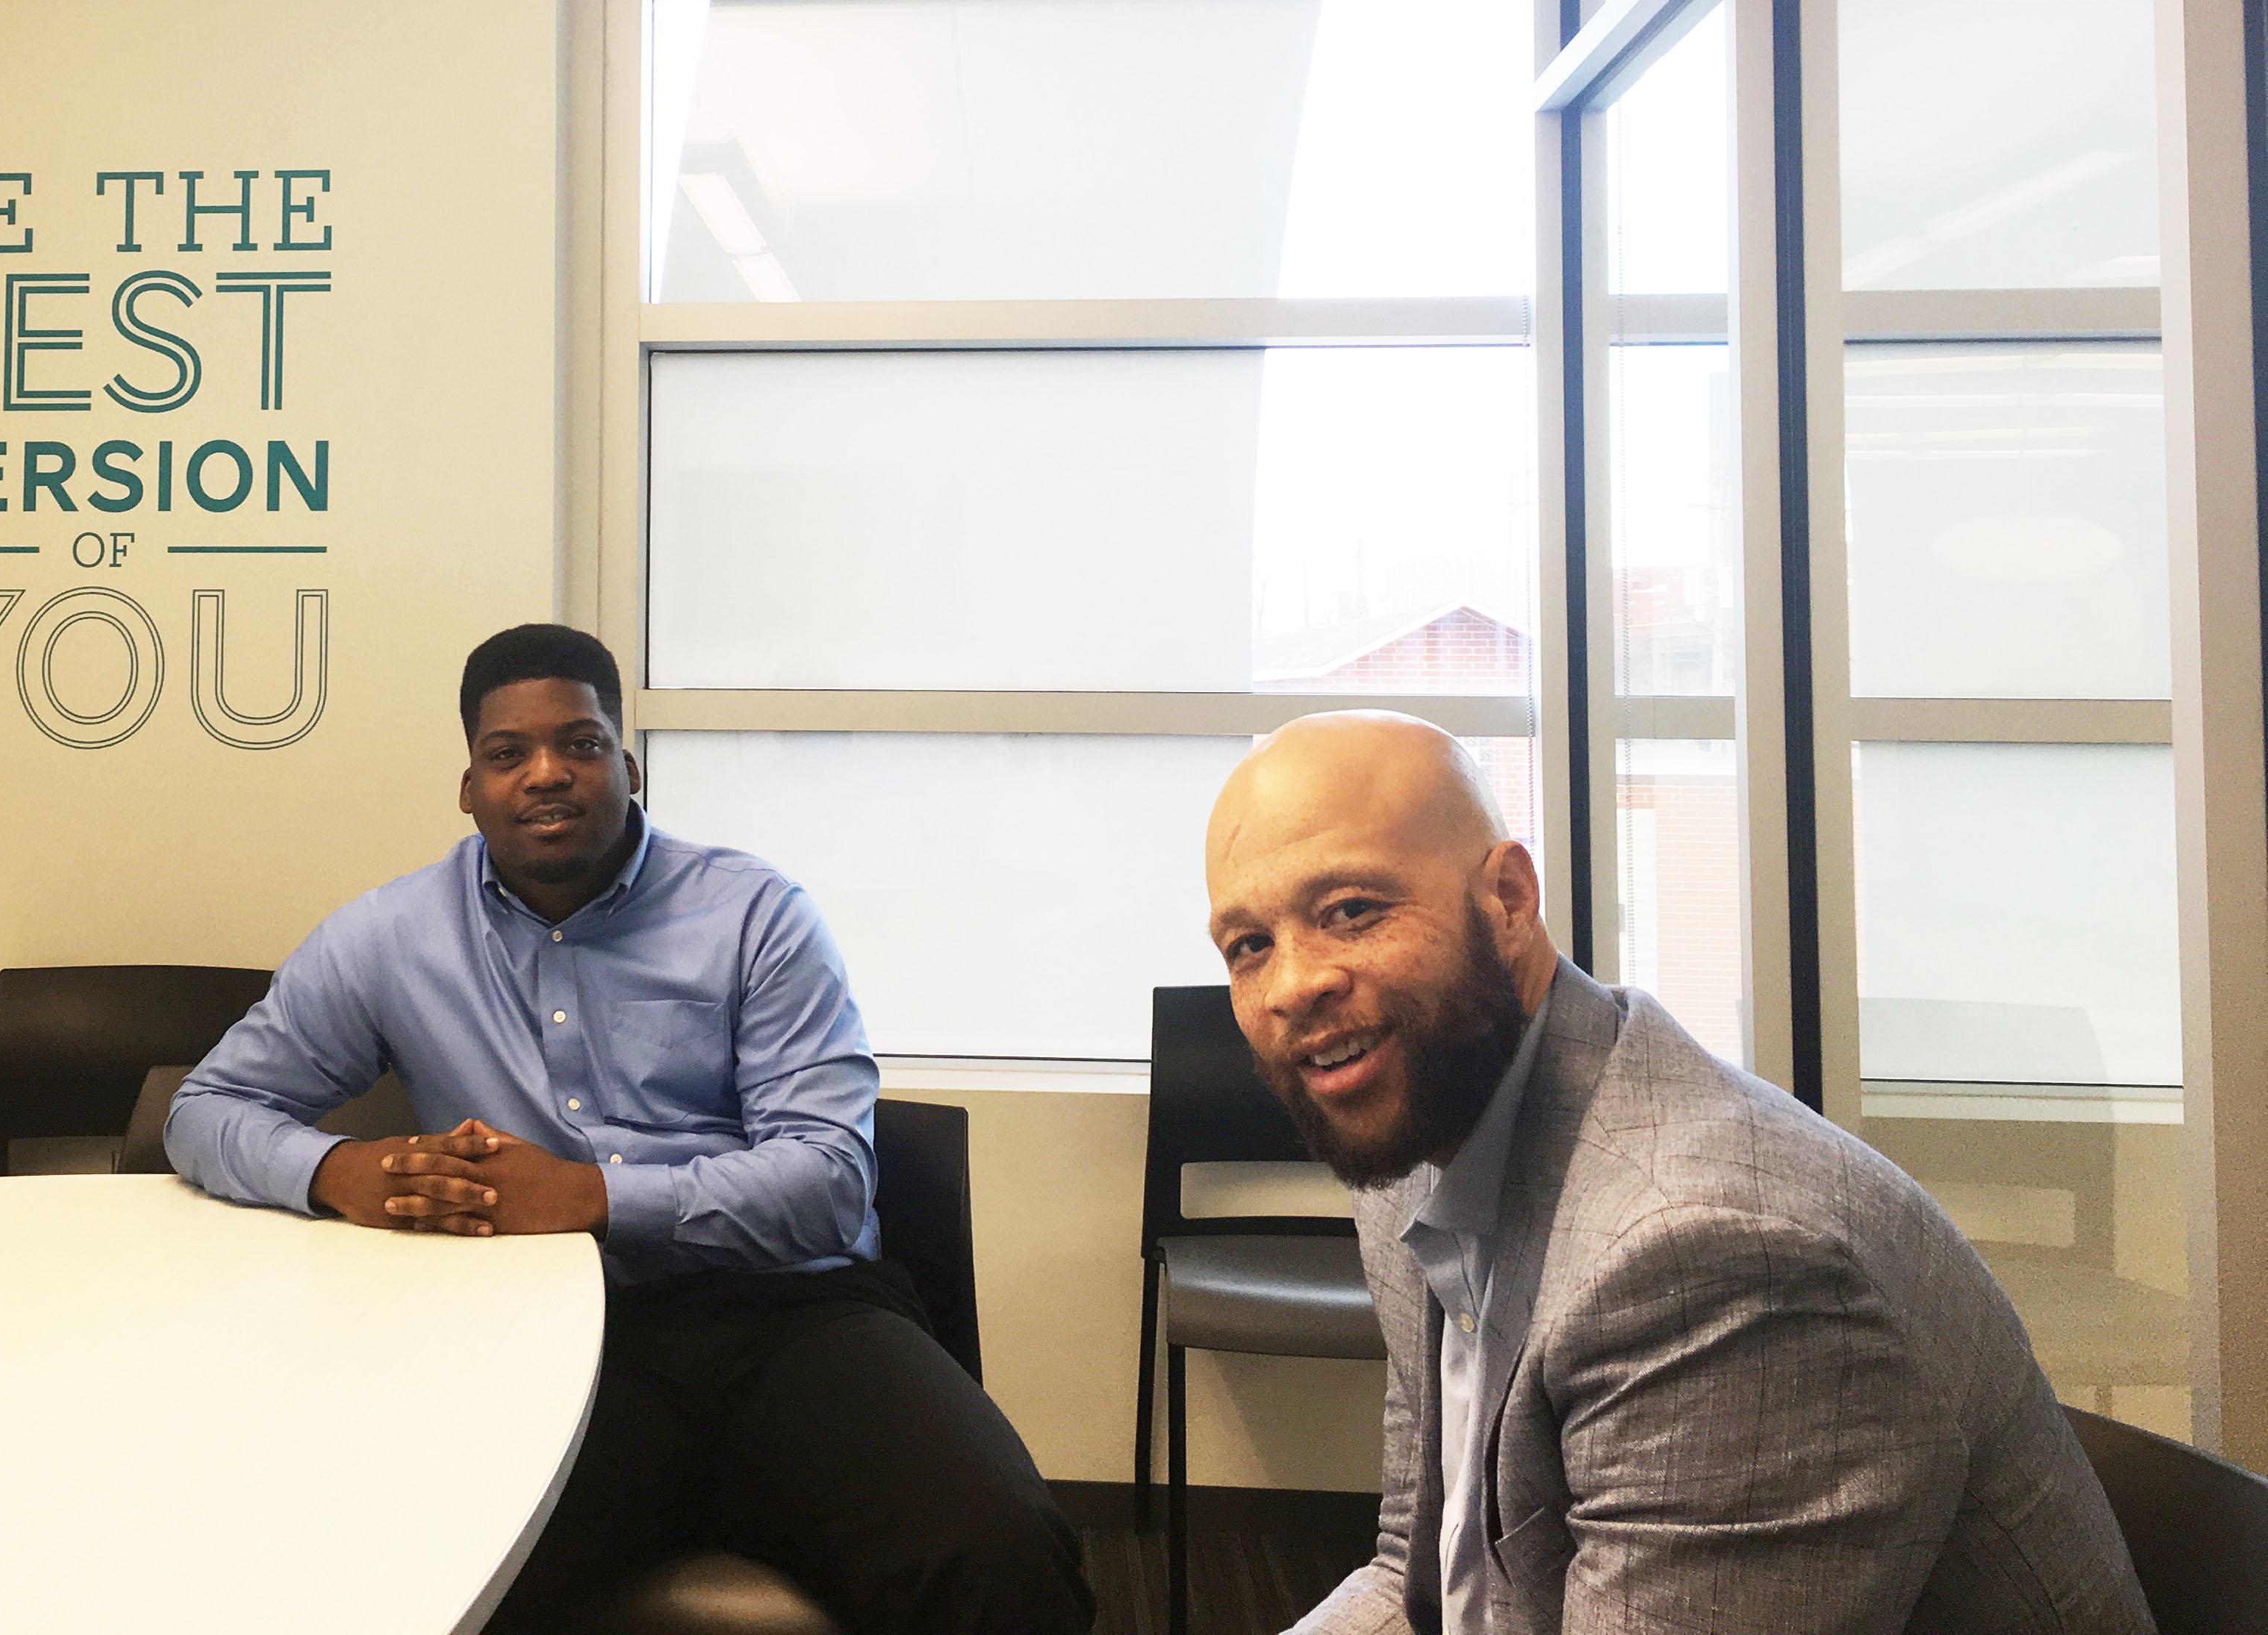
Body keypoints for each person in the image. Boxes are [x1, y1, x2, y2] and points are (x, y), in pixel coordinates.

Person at [167, 622, 1090, 1635]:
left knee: (1002, 1556)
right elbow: (205, 1112)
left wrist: (592, 1198)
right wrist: (338, 1171)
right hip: (540, 1336)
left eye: (581, 744)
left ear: (630, 766)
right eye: (507, 754)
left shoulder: (755, 916)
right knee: (404, 1574)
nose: (547, 775)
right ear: (468, 786)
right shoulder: (391, 937)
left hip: (791, 1322)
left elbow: (829, 1182)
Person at [1205, 710, 2150, 1635]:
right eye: (1250, 945)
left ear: (1508, 901)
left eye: (1353, 911)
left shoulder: (1717, 1260)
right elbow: (1422, 1571)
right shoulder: (1419, 1152)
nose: (1294, 984)